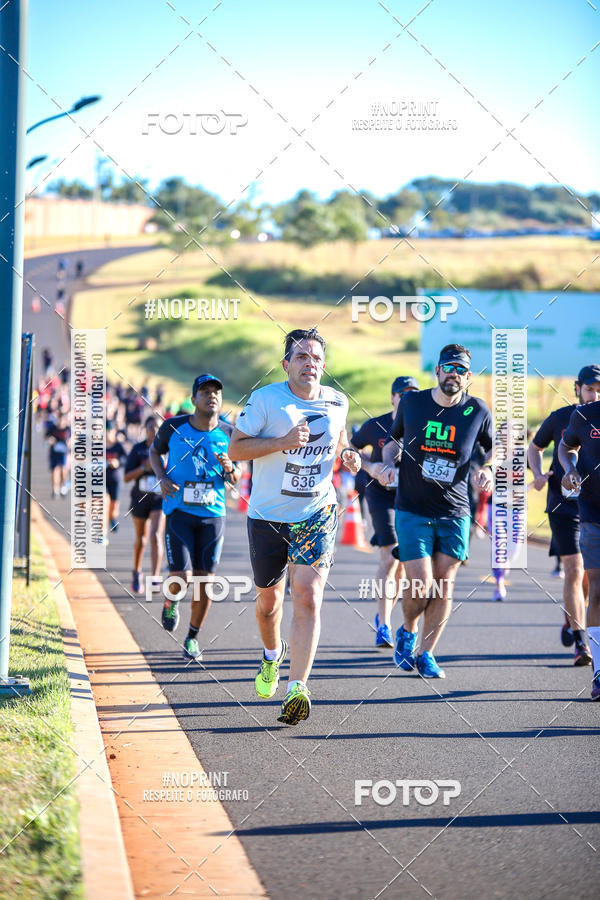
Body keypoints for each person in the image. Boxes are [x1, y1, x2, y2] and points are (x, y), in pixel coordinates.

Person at [228, 328, 361, 725]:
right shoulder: (266, 400)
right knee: (269, 605)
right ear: (286, 364)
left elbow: (340, 438)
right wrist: (283, 441)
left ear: (324, 365)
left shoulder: (338, 401)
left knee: (308, 596)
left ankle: (296, 688)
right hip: (268, 516)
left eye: (316, 358)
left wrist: (349, 453)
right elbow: (236, 448)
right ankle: (272, 656)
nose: (309, 364)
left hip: (317, 512)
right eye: (301, 357)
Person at [378, 344, 494, 678]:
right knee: (421, 583)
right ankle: (408, 630)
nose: (454, 374)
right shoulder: (413, 403)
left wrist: (488, 468)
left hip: (455, 511)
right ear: (438, 371)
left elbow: (493, 449)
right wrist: (387, 464)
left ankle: (427, 653)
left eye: (461, 370)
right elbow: (391, 440)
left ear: (468, 377)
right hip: (412, 507)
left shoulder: (478, 410)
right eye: (449, 367)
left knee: (445, 583)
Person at [150, 375, 241, 661]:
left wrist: (230, 469)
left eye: (216, 392)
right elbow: (155, 452)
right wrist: (162, 477)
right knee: (182, 576)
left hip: (213, 515)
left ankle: (191, 637)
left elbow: (236, 478)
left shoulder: (229, 433)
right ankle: (171, 600)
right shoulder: (173, 426)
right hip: (179, 510)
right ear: (193, 399)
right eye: (204, 392)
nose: (211, 396)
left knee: (205, 583)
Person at [529, 365, 600, 665]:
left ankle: (576, 615)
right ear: (577, 389)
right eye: (589, 388)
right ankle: (581, 642)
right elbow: (536, 448)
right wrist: (539, 474)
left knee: (587, 578)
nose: (594, 393)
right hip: (563, 504)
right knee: (574, 568)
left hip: (589, 503)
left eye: (599, 389)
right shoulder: (563, 417)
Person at [351, 376, 419, 648]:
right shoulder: (375, 424)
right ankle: (384, 624)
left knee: (403, 561)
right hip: (379, 494)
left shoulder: (422, 424)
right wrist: (371, 468)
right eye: (403, 393)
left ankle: (385, 617)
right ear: (392, 397)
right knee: (390, 555)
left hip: (409, 495)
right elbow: (351, 448)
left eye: (414, 393)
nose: (407, 398)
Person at [559, 386, 600, 700]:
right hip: (593, 513)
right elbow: (565, 446)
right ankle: (599, 671)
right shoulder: (584, 415)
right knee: (597, 588)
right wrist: (570, 469)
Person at [124, 417, 165, 595]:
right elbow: (126, 477)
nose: (154, 431)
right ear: (145, 429)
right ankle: (137, 571)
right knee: (141, 540)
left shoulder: (167, 449)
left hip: (158, 499)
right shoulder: (138, 449)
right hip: (140, 498)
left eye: (157, 427)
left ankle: (155, 577)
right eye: (150, 427)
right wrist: (144, 468)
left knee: (156, 535)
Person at [105, 422, 128, 540]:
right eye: (106, 431)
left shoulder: (119, 446)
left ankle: (112, 518)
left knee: (113, 506)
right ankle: (102, 533)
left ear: (114, 432)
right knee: (104, 502)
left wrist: (118, 462)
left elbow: (127, 459)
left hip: (115, 479)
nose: (108, 434)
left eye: (110, 431)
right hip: (101, 479)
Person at [47, 413, 71, 498]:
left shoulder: (68, 430)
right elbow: (47, 438)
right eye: (60, 420)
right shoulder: (53, 428)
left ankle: (63, 485)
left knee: (64, 471)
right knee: (55, 470)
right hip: (55, 452)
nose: (61, 422)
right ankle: (55, 489)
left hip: (65, 453)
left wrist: (70, 443)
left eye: (63, 420)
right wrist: (50, 440)